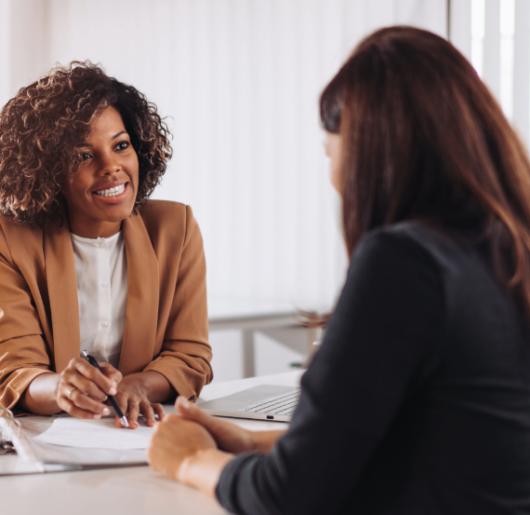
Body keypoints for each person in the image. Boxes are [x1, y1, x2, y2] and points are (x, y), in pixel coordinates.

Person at [148, 26, 530, 513]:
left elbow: (289, 496)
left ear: (371, 151)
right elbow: (431, 439)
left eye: (330, 151)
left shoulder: (405, 263)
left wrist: (191, 460)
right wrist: (249, 444)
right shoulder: (506, 249)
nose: (333, 180)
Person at [0, 63, 212, 428]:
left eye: (121, 145)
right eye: (84, 155)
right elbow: (16, 370)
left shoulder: (175, 229)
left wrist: (138, 386)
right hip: (45, 441)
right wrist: (61, 389)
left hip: (140, 434)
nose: (112, 167)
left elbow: (190, 355)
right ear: (48, 172)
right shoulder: (11, 240)